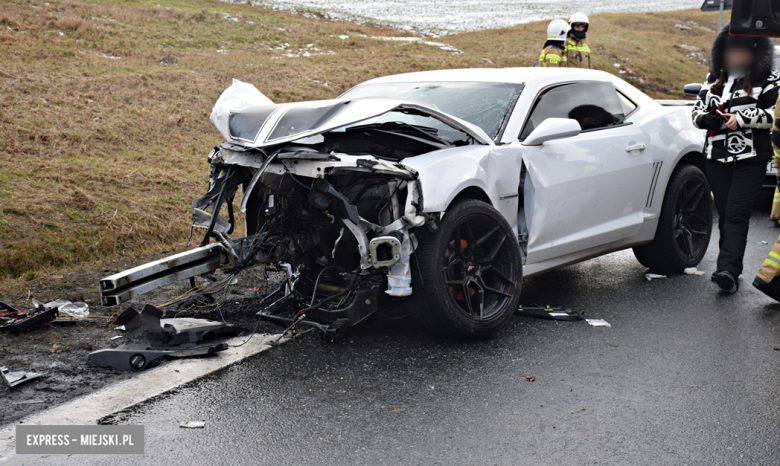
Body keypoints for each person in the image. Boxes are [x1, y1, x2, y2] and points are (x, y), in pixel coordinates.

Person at [691, 24, 779, 292]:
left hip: (750, 159)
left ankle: (728, 269)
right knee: (726, 213)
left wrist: (741, 119)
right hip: (715, 158)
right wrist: (707, 119)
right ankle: (728, 267)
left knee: (737, 214)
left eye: (742, 50)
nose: (736, 56)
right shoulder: (713, 78)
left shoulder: (772, 80)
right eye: (731, 50)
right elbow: (696, 112)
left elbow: (772, 117)